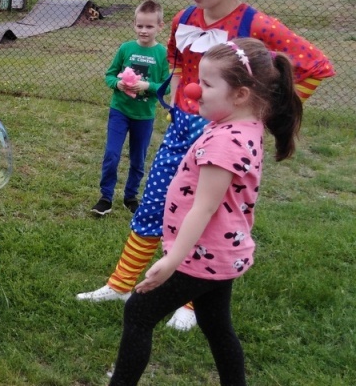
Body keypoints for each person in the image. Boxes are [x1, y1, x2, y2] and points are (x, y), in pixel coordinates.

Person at [77, 0, 335, 331]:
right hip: (182, 129)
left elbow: (317, 66)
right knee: (156, 203)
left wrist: (261, 115)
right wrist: (177, 103)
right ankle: (122, 282)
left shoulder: (257, 23)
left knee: (205, 216)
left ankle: (192, 304)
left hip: (224, 140)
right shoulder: (184, 18)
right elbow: (178, 61)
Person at [108, 38, 304, 386]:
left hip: (201, 256)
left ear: (241, 95)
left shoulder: (226, 142)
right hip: (220, 255)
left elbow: (204, 207)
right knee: (217, 325)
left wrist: (171, 262)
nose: (196, 89)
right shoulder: (241, 126)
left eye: (209, 84)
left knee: (138, 313)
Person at [92, 0, 169, 216]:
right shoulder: (126, 48)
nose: (144, 31)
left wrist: (147, 86)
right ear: (134, 24)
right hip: (120, 111)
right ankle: (106, 197)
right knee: (112, 154)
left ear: (160, 27)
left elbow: (166, 86)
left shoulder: (162, 54)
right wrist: (117, 83)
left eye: (150, 26)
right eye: (140, 26)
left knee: (138, 158)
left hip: (144, 116)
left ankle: (130, 197)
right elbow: (109, 74)